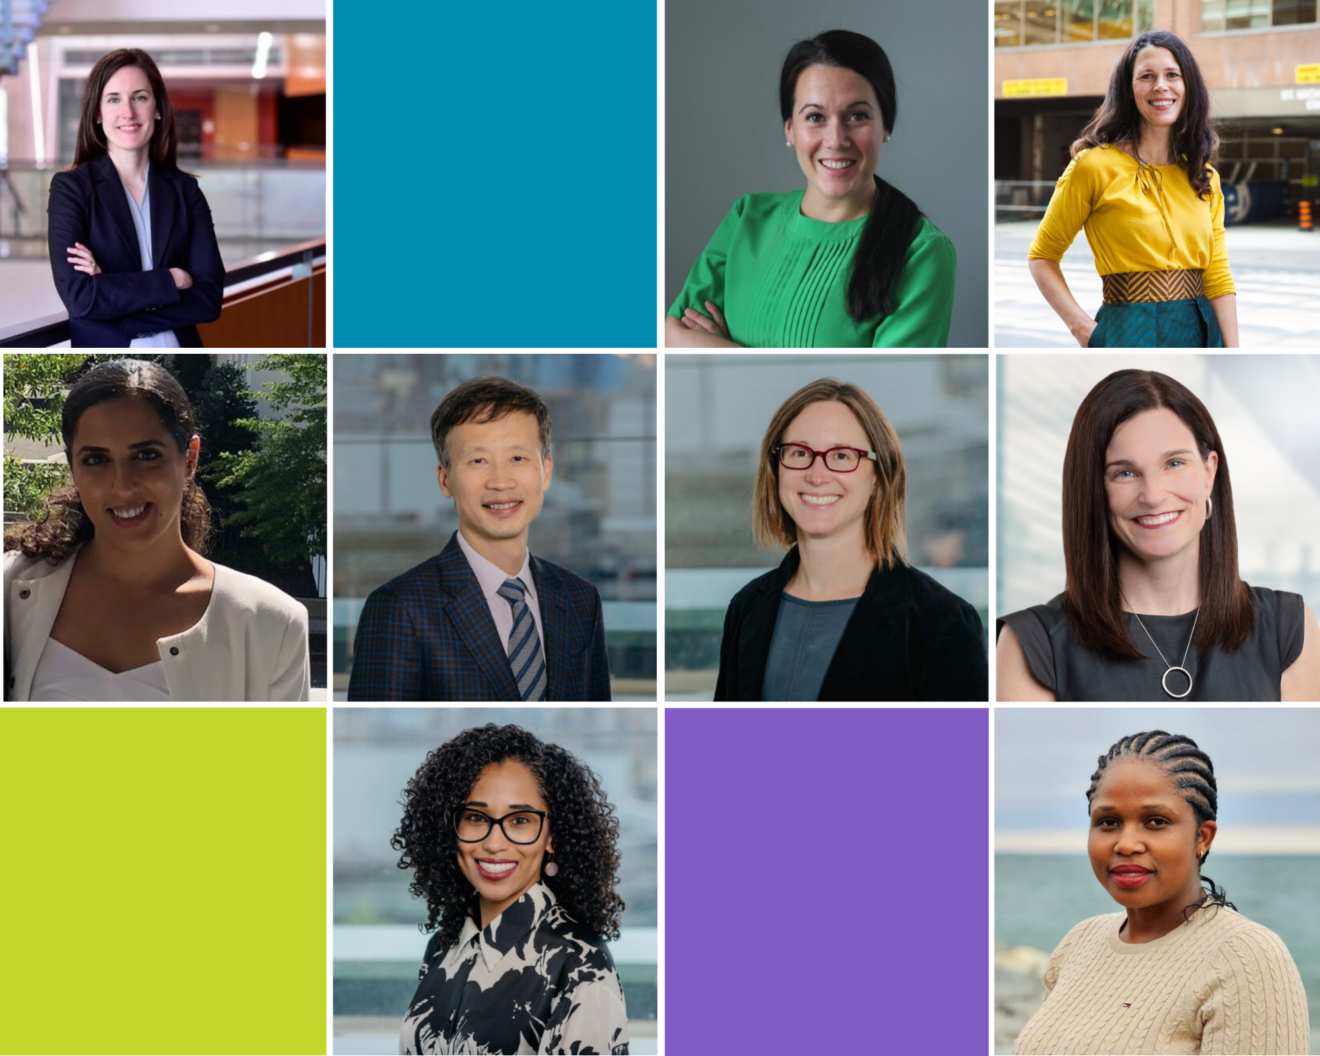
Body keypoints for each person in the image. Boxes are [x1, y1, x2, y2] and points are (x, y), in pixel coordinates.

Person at [997, 370, 1320, 702]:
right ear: (1092, 489)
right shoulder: (1035, 645)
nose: (1152, 495)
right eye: (1125, 472)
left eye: (1174, 464)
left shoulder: (1288, 629)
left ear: (1209, 473)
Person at [3, 358, 309, 702]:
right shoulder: (9, 590)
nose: (122, 486)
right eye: (96, 459)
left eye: (146, 455)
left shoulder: (272, 625)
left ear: (190, 458)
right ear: (73, 466)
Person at [1012, 731, 1310, 1055]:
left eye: (1155, 821)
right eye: (1108, 822)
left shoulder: (1247, 957)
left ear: (1202, 838)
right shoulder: (1078, 942)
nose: (1126, 844)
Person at [666, 29, 955, 349]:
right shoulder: (746, 217)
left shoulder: (921, 252)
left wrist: (722, 352)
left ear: (885, 125)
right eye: (815, 117)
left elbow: (874, 385)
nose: (836, 140)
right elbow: (674, 335)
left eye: (857, 116)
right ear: (790, 129)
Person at [714, 379, 986, 701]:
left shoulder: (941, 621)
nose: (816, 475)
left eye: (842, 456)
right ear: (776, 470)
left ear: (878, 479)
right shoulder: (746, 609)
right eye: (800, 452)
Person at [348, 377, 611, 701]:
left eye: (518, 458)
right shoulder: (400, 607)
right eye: (478, 461)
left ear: (546, 472)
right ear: (446, 480)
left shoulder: (580, 599)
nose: (501, 481)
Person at [394, 724, 629, 1055]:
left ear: (552, 836)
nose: (493, 843)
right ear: (450, 827)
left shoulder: (581, 964)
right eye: (476, 817)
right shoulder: (441, 948)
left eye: (520, 821)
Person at [1028, 31, 1238, 348]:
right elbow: (1042, 256)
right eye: (1147, 76)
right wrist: (1084, 330)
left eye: (1172, 75)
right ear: (1129, 89)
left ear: (1187, 86)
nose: (1161, 86)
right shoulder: (1093, 166)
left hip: (1203, 327)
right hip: (1126, 328)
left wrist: (1232, 352)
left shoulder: (1203, 174)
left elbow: (1217, 274)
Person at [47, 49, 224, 348]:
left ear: (157, 108)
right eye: (114, 99)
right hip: (107, 358)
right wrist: (172, 280)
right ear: (97, 114)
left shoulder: (185, 191)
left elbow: (208, 300)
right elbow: (81, 298)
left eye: (140, 97)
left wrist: (119, 302)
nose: (128, 112)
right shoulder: (72, 189)